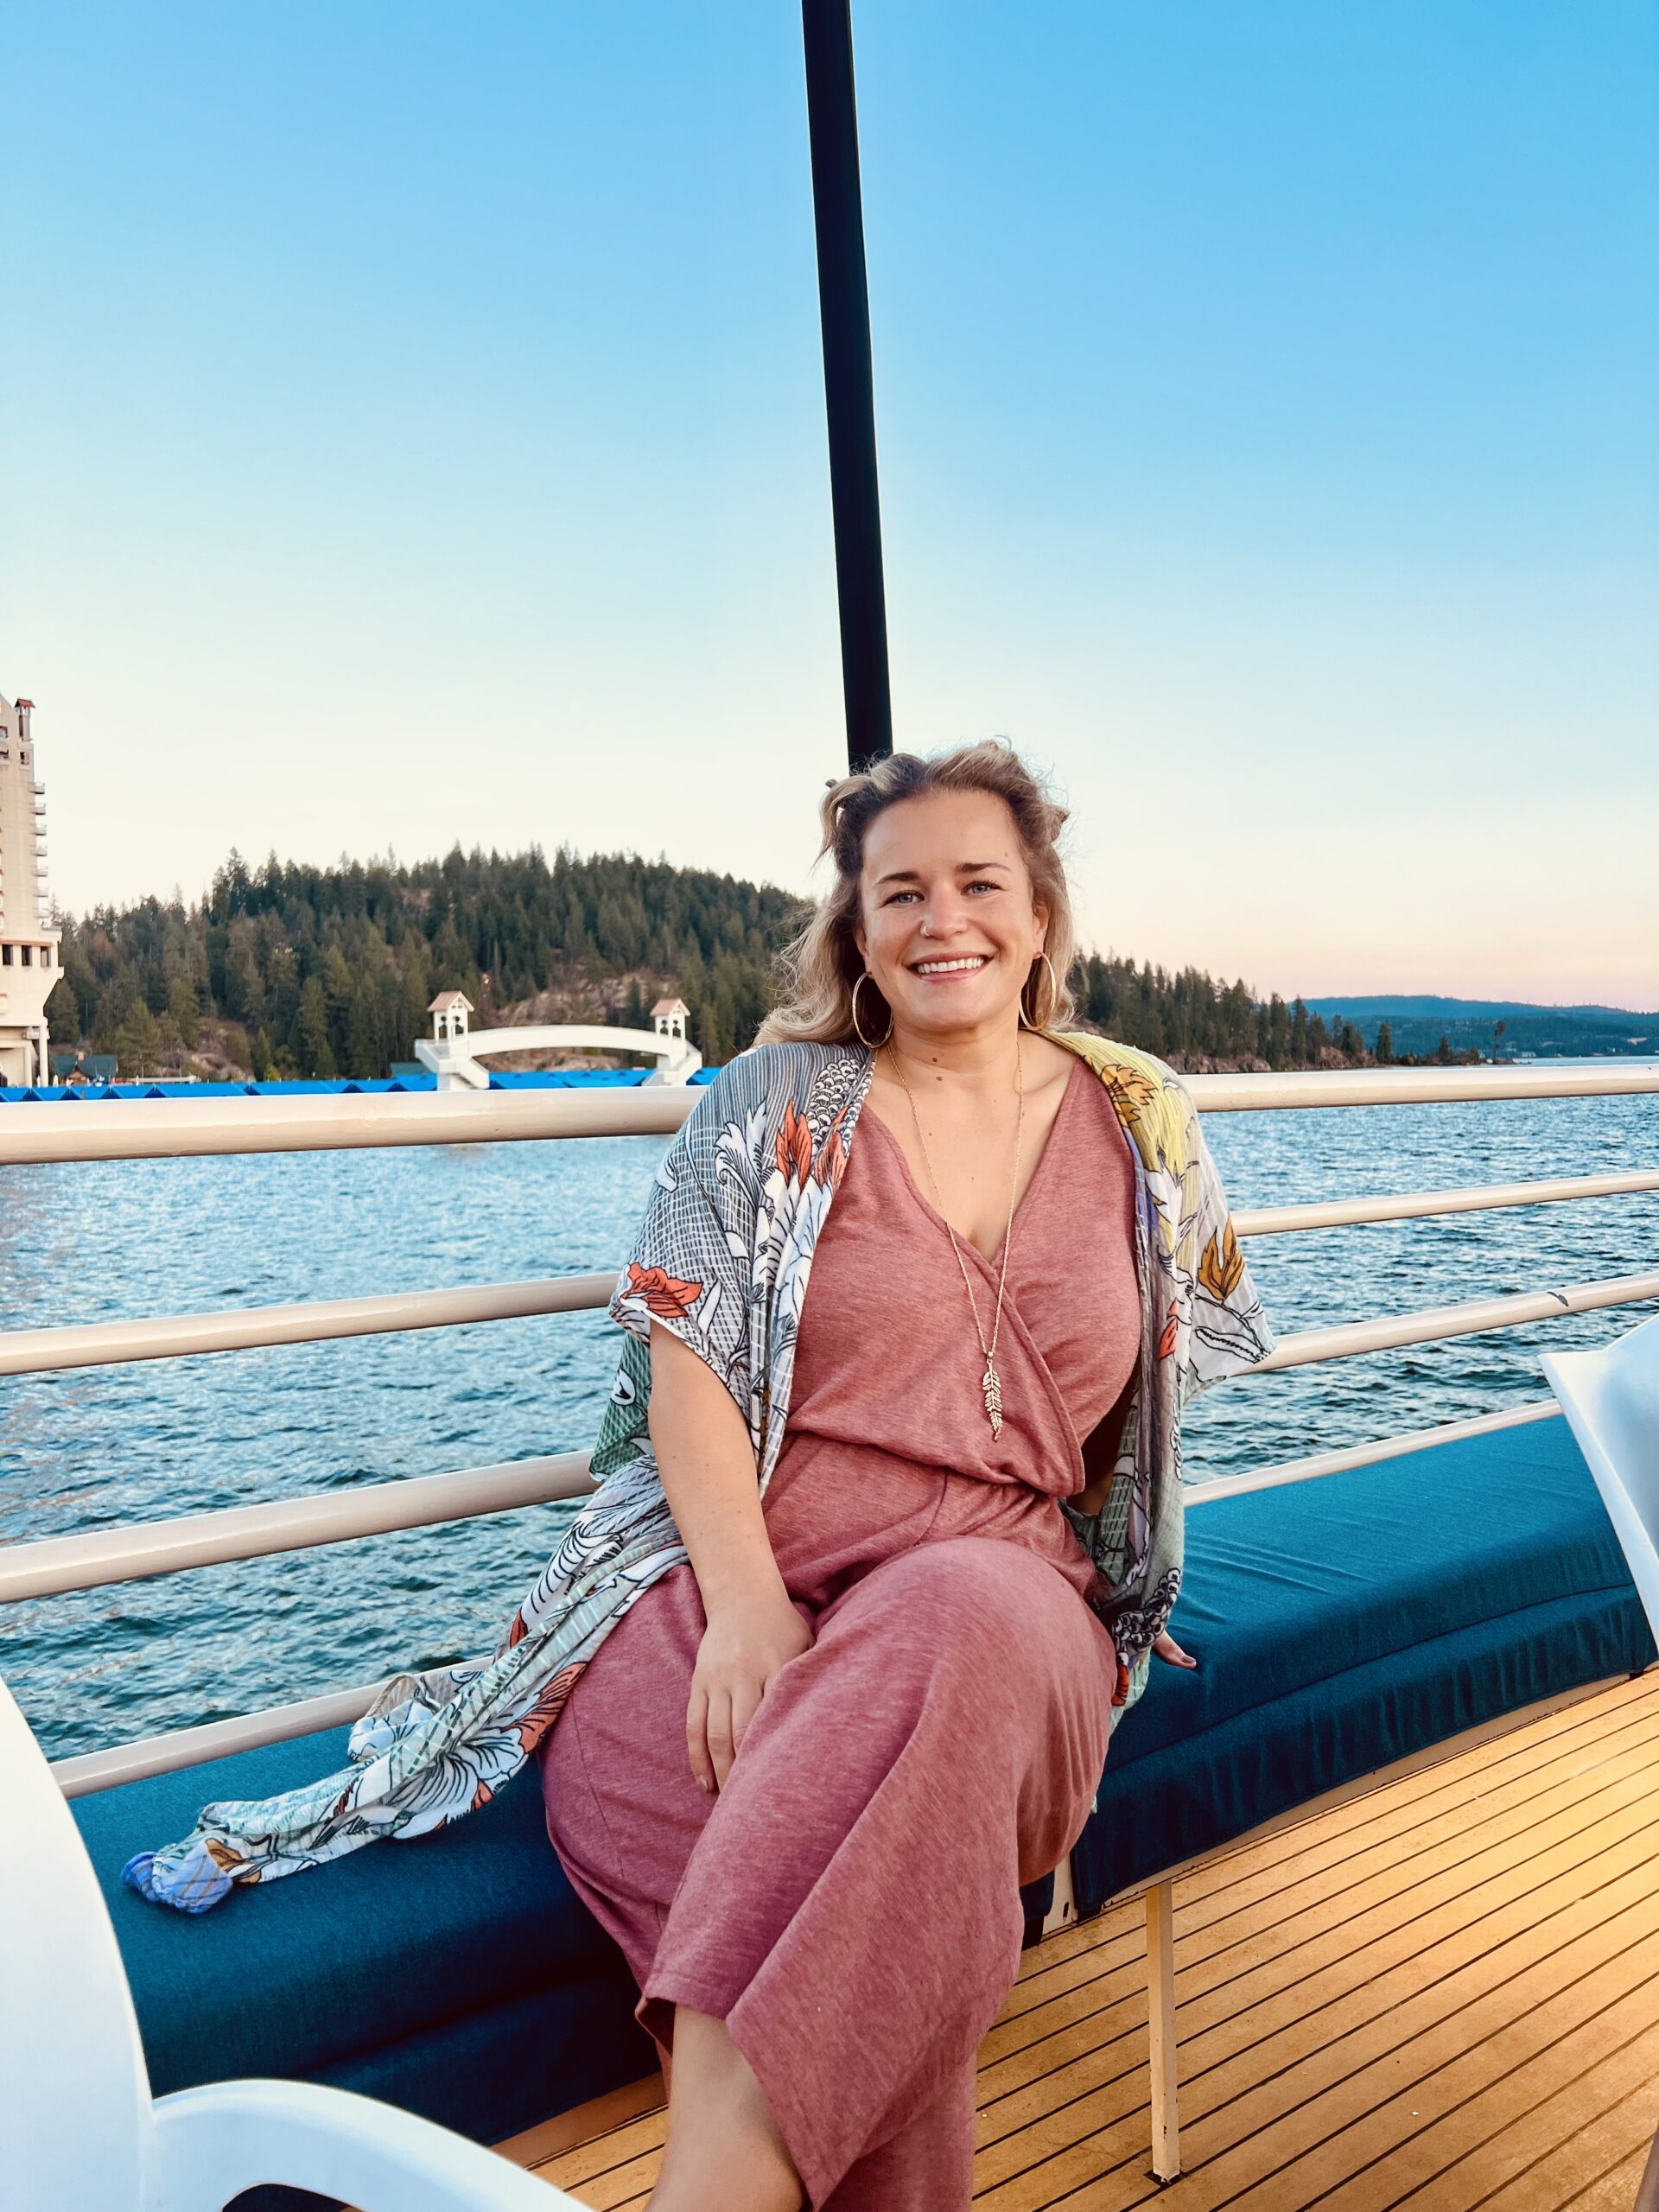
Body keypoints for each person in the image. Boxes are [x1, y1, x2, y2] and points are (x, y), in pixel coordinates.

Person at [537, 740, 1274, 2210]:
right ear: (858, 930)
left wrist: (1130, 1573)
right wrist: (744, 1608)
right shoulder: (770, 1103)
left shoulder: (1138, 1123)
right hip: (729, 1592)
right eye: (902, 892)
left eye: (981, 883)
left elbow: (1161, 1381)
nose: (946, 920)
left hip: (995, 1608)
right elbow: (682, 1356)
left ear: (1043, 914)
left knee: (946, 1639)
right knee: (825, 1880)